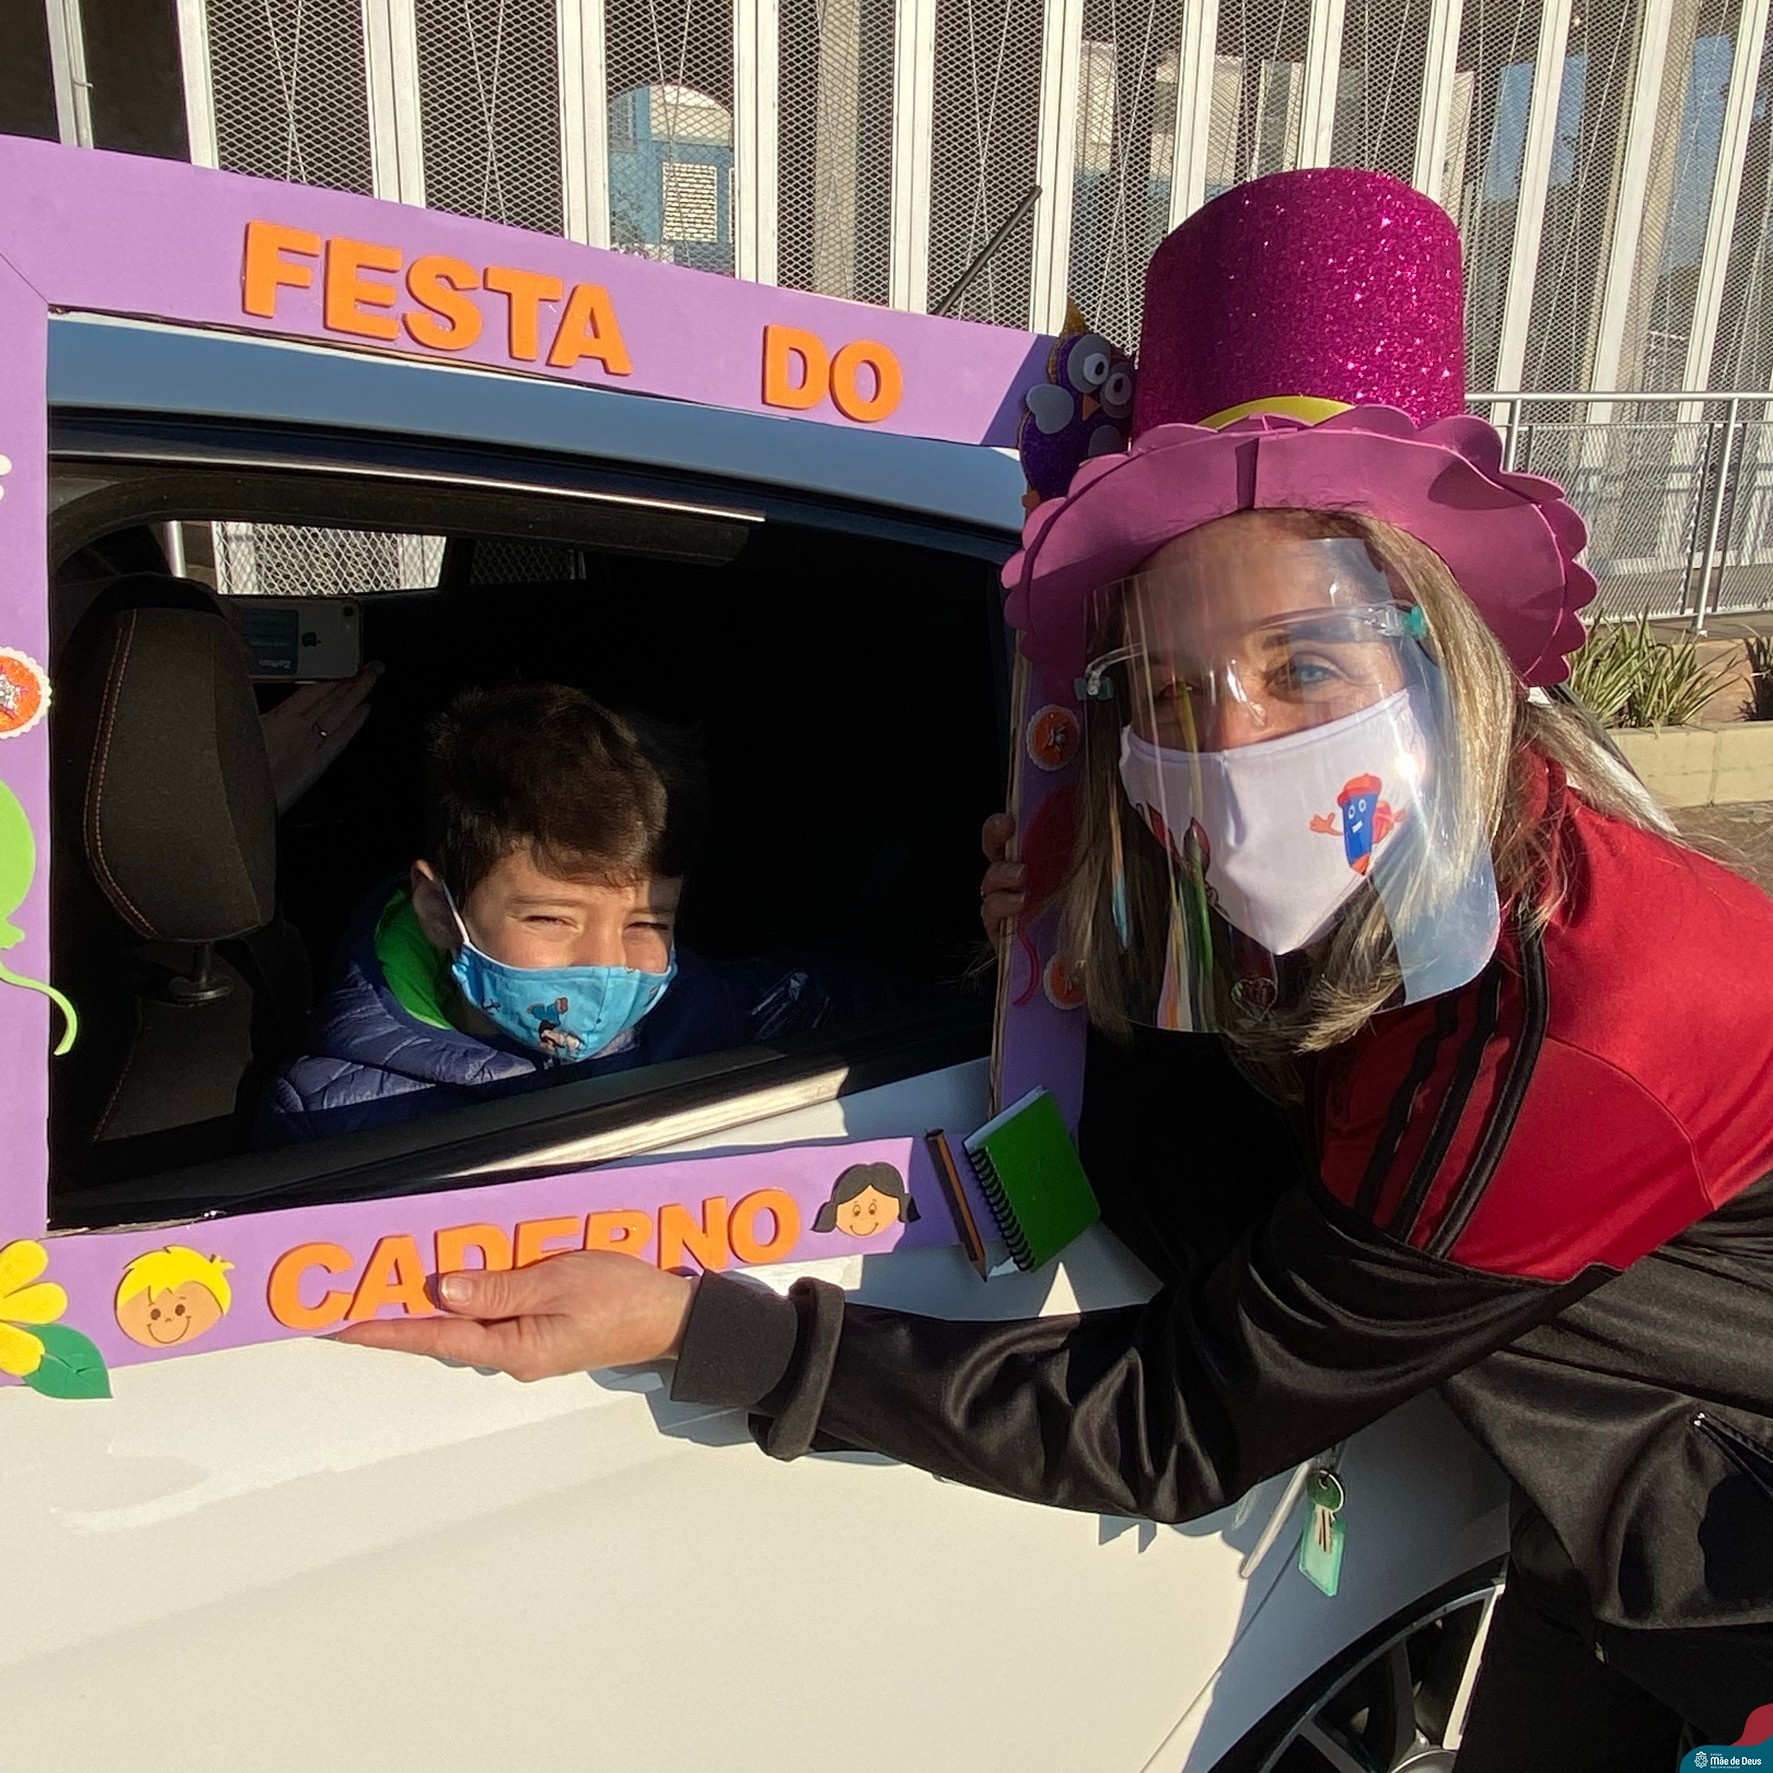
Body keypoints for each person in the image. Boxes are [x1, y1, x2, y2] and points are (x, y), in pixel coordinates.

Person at [334, 171, 1773, 1764]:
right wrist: (1070, 949)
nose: (1234, 749)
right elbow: (1250, 1152)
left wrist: (698, 1326)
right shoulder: (1392, 887)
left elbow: (1185, 1413)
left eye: (1304, 664)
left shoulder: (1582, 1029)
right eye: (1170, 690)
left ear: (1448, 657)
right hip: (1580, 1518)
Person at [261, 681, 890, 1142]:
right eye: (552, 919)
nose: (606, 963)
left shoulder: (715, 1013)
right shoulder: (322, 1112)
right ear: (439, 912)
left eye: (647, 923)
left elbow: (865, 1006)